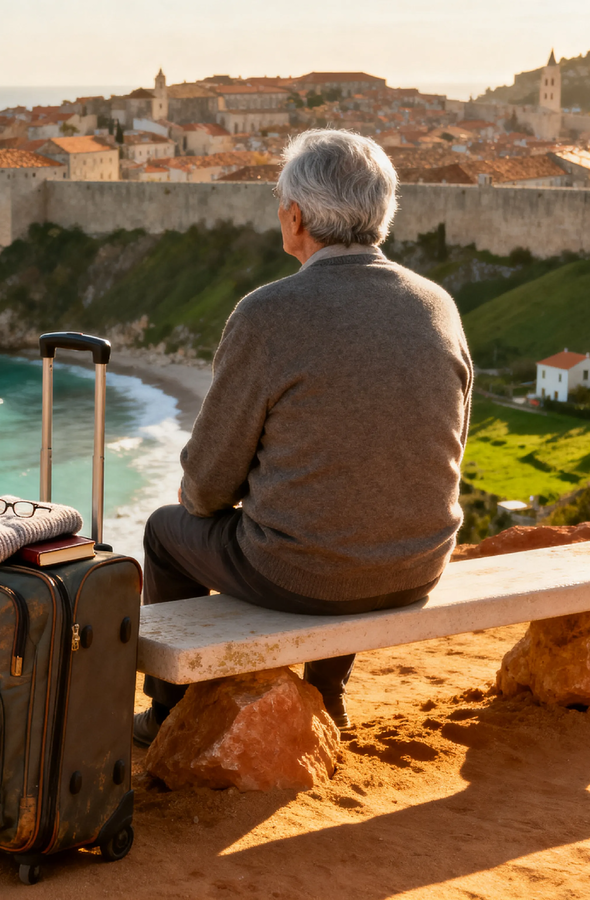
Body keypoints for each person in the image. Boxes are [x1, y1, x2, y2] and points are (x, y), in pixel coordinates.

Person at [133, 129, 473, 747]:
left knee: (164, 530)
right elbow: (441, 444)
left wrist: (212, 498)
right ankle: (327, 693)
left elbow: (207, 485)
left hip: (299, 576)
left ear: (294, 216)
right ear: (382, 213)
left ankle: (168, 711)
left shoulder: (268, 313)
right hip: (420, 564)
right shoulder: (437, 305)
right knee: (347, 504)